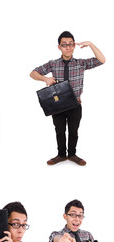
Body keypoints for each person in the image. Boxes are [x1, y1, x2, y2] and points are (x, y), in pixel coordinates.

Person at [30, 31, 105, 166]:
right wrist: (45, 78)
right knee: (59, 131)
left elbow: (102, 60)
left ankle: (72, 154)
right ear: (59, 47)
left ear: (74, 46)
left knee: (73, 131)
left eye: (70, 44)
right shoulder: (53, 64)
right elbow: (32, 73)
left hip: (75, 104)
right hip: (57, 106)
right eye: (64, 45)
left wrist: (90, 44)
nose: (68, 47)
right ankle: (61, 155)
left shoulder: (81, 63)